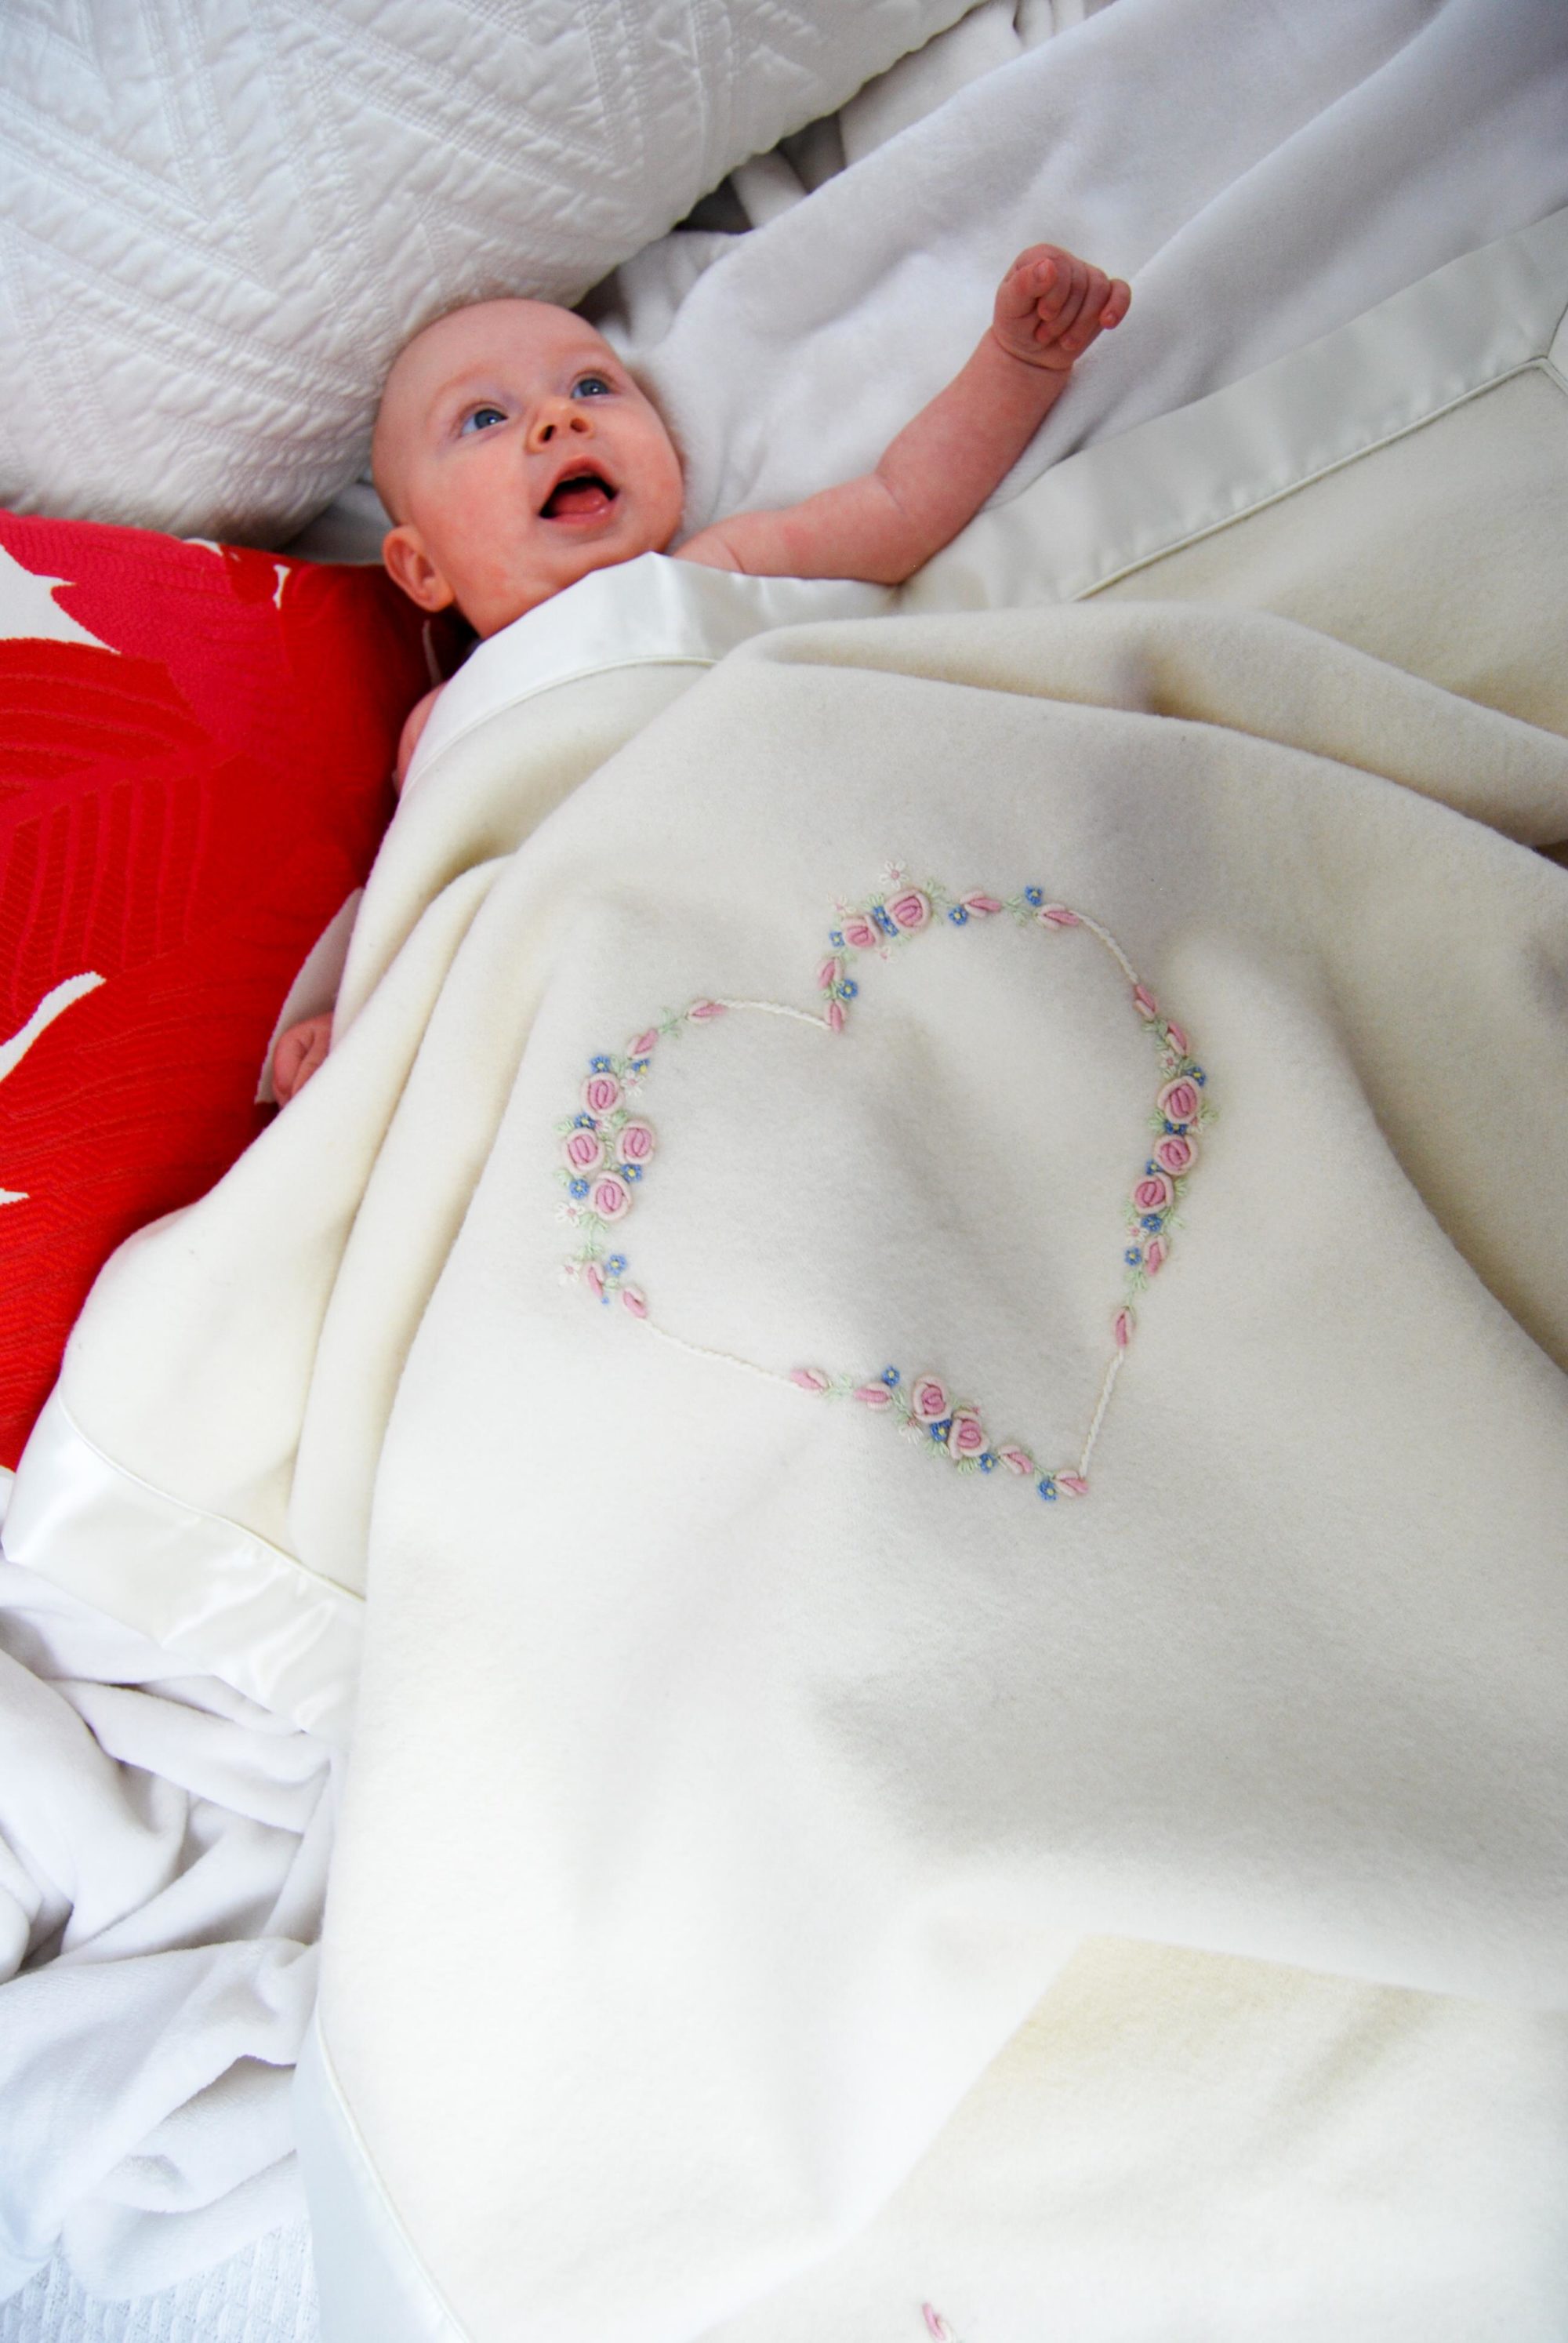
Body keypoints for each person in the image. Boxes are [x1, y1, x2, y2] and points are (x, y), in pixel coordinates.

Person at [270, 244, 1130, 1103]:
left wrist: (1016, 363)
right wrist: (354, 1020)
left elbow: (901, 503)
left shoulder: (711, 572)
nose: (557, 420)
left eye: (594, 387)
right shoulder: (441, 721)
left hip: (774, 901)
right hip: (589, 999)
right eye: (483, 419)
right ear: (422, 571)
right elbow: (422, 898)